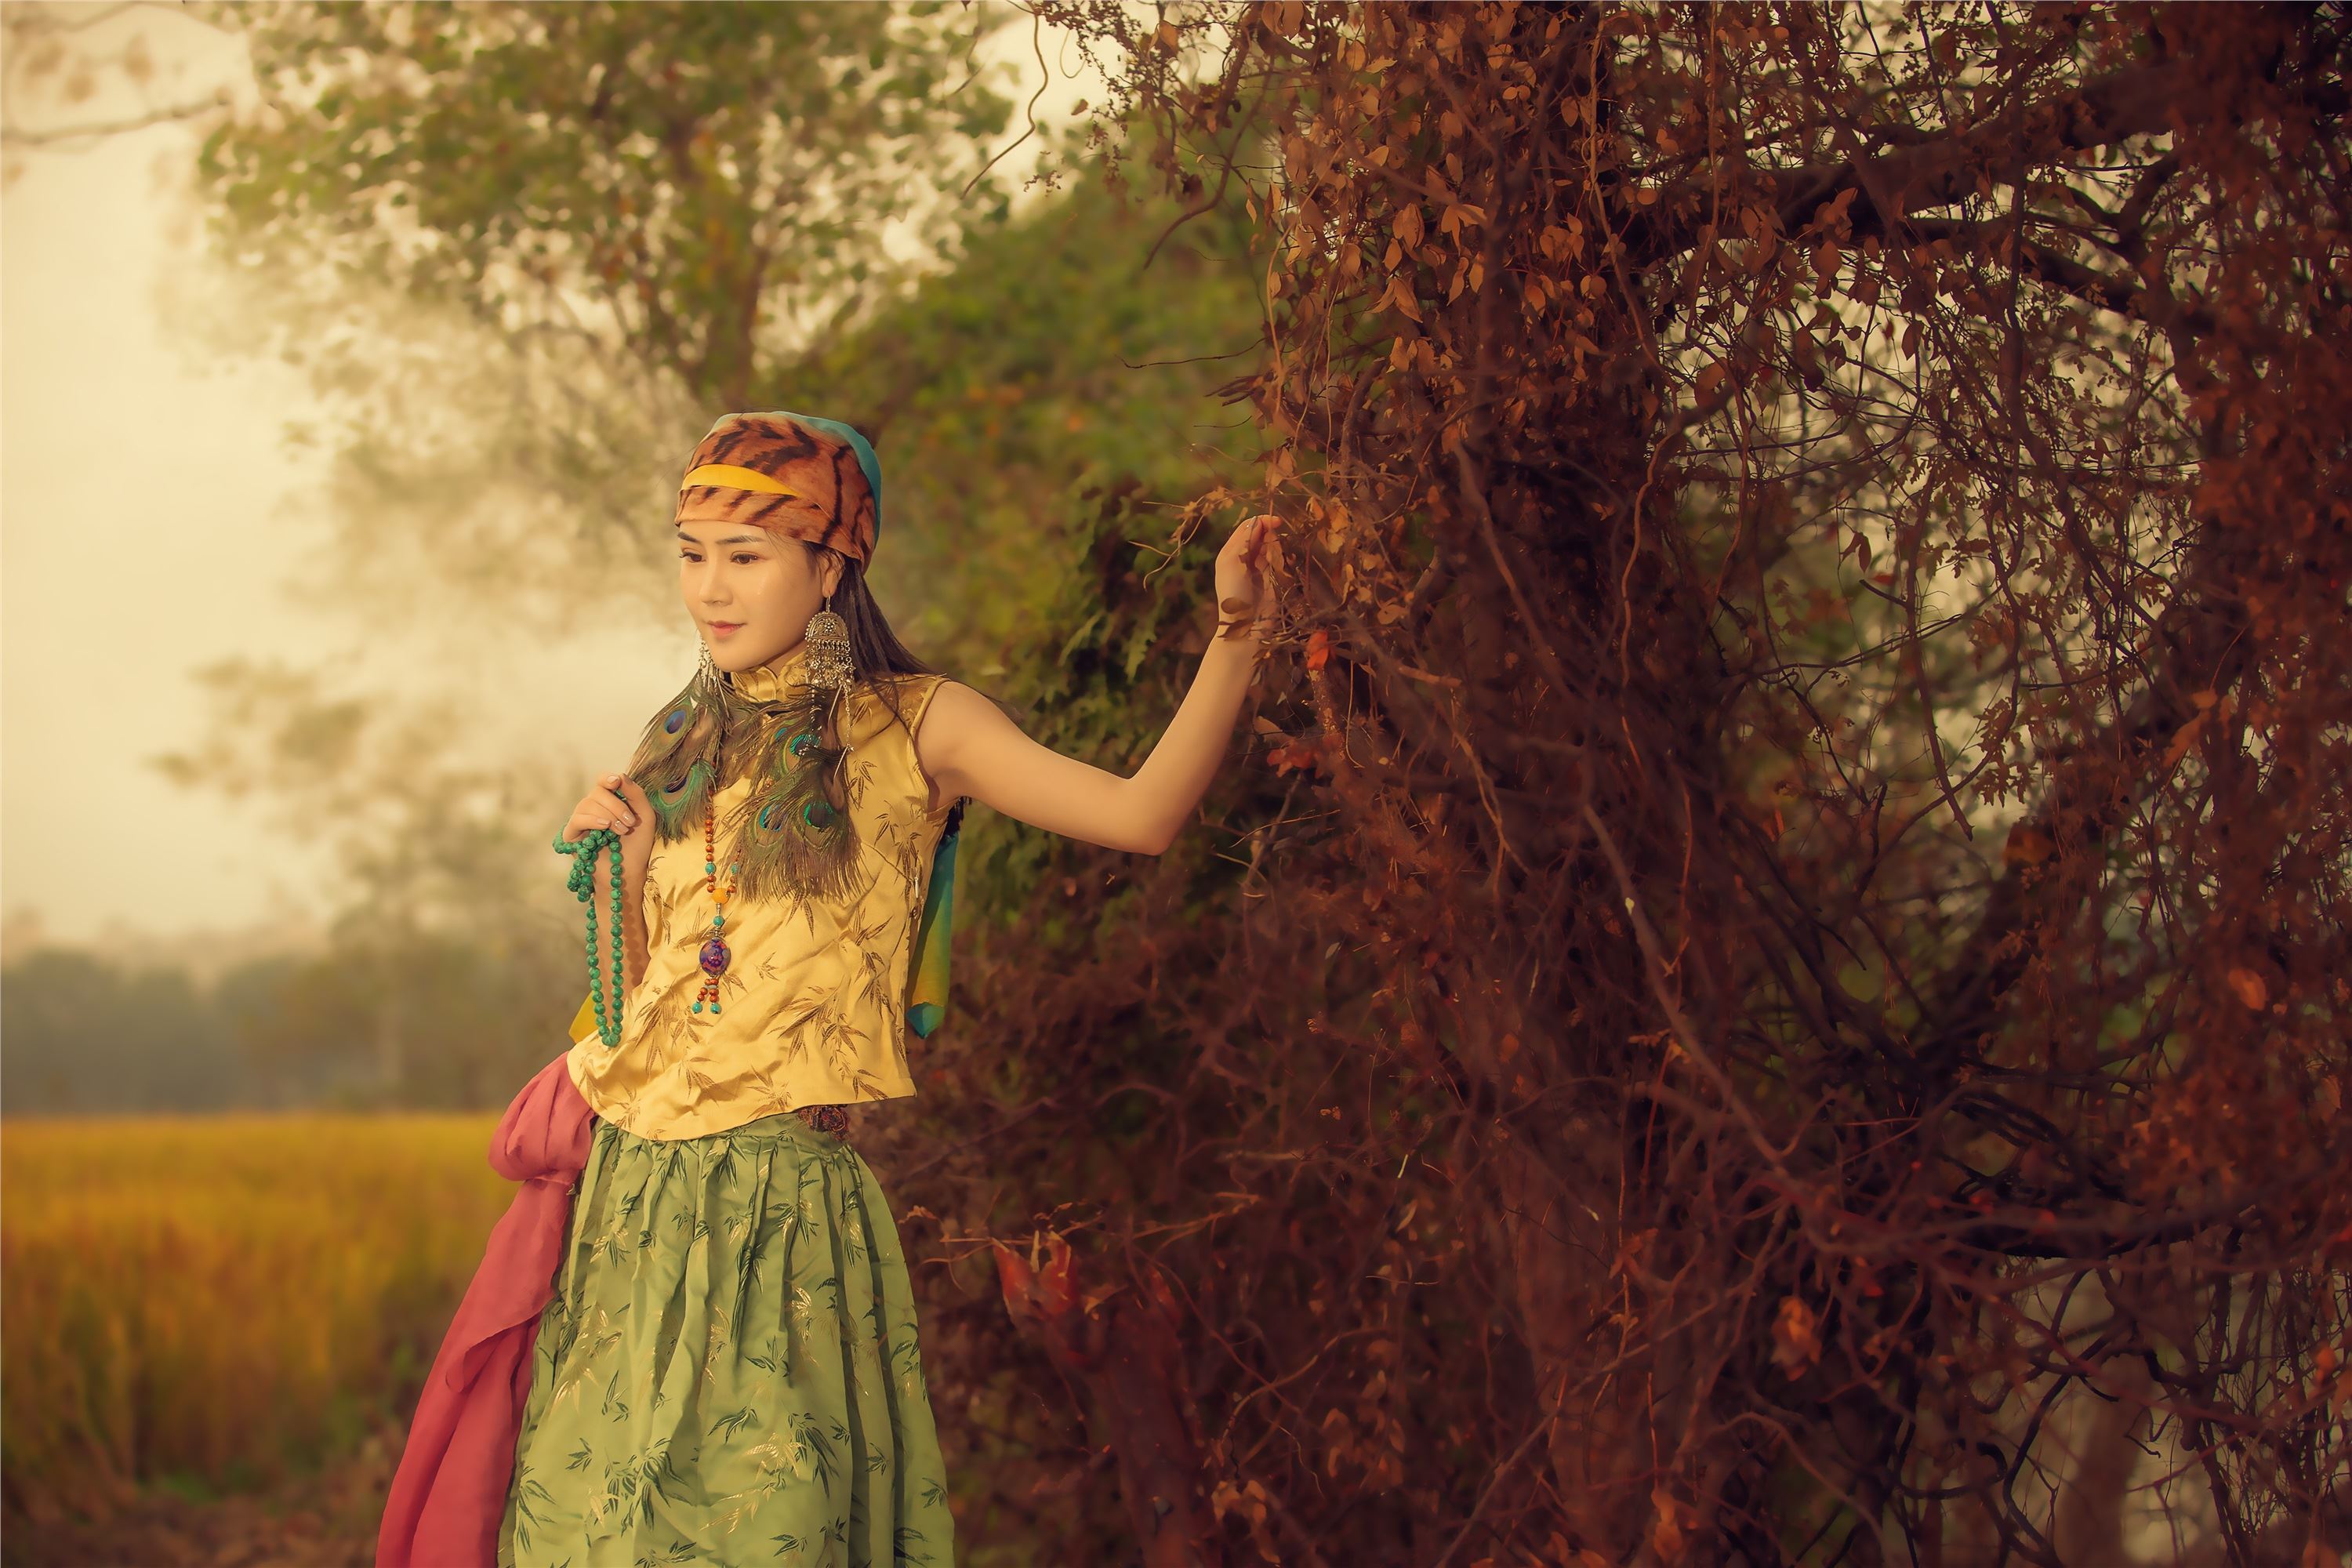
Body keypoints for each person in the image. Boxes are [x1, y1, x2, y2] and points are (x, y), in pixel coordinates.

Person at [376, 408, 1277, 1568]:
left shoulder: (919, 728)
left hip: (780, 1209)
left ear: (831, 562)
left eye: (744, 556)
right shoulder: (677, 742)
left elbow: (1142, 815)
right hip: (630, 1208)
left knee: (773, 1539)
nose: (711, 588)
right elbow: (645, 1005)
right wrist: (623, 874)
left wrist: (1240, 632)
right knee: (590, 1542)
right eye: (691, 553)